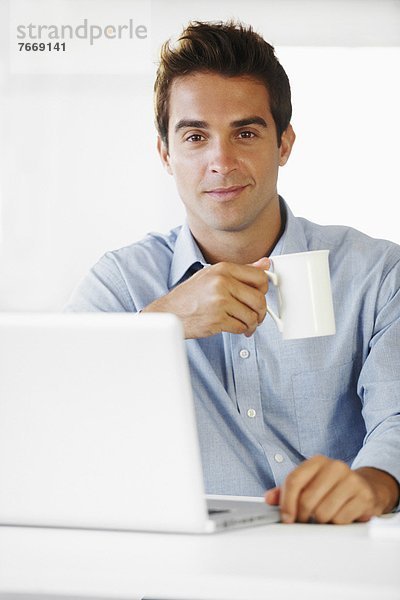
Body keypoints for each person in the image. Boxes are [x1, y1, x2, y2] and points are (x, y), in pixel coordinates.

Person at [65, 20, 400, 524]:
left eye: (245, 132)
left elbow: (396, 421)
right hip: (186, 574)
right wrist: (161, 323)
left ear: (284, 144)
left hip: (344, 559)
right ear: (165, 153)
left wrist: (373, 487)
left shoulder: (375, 274)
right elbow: (51, 419)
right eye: (196, 136)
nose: (221, 161)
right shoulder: (121, 284)